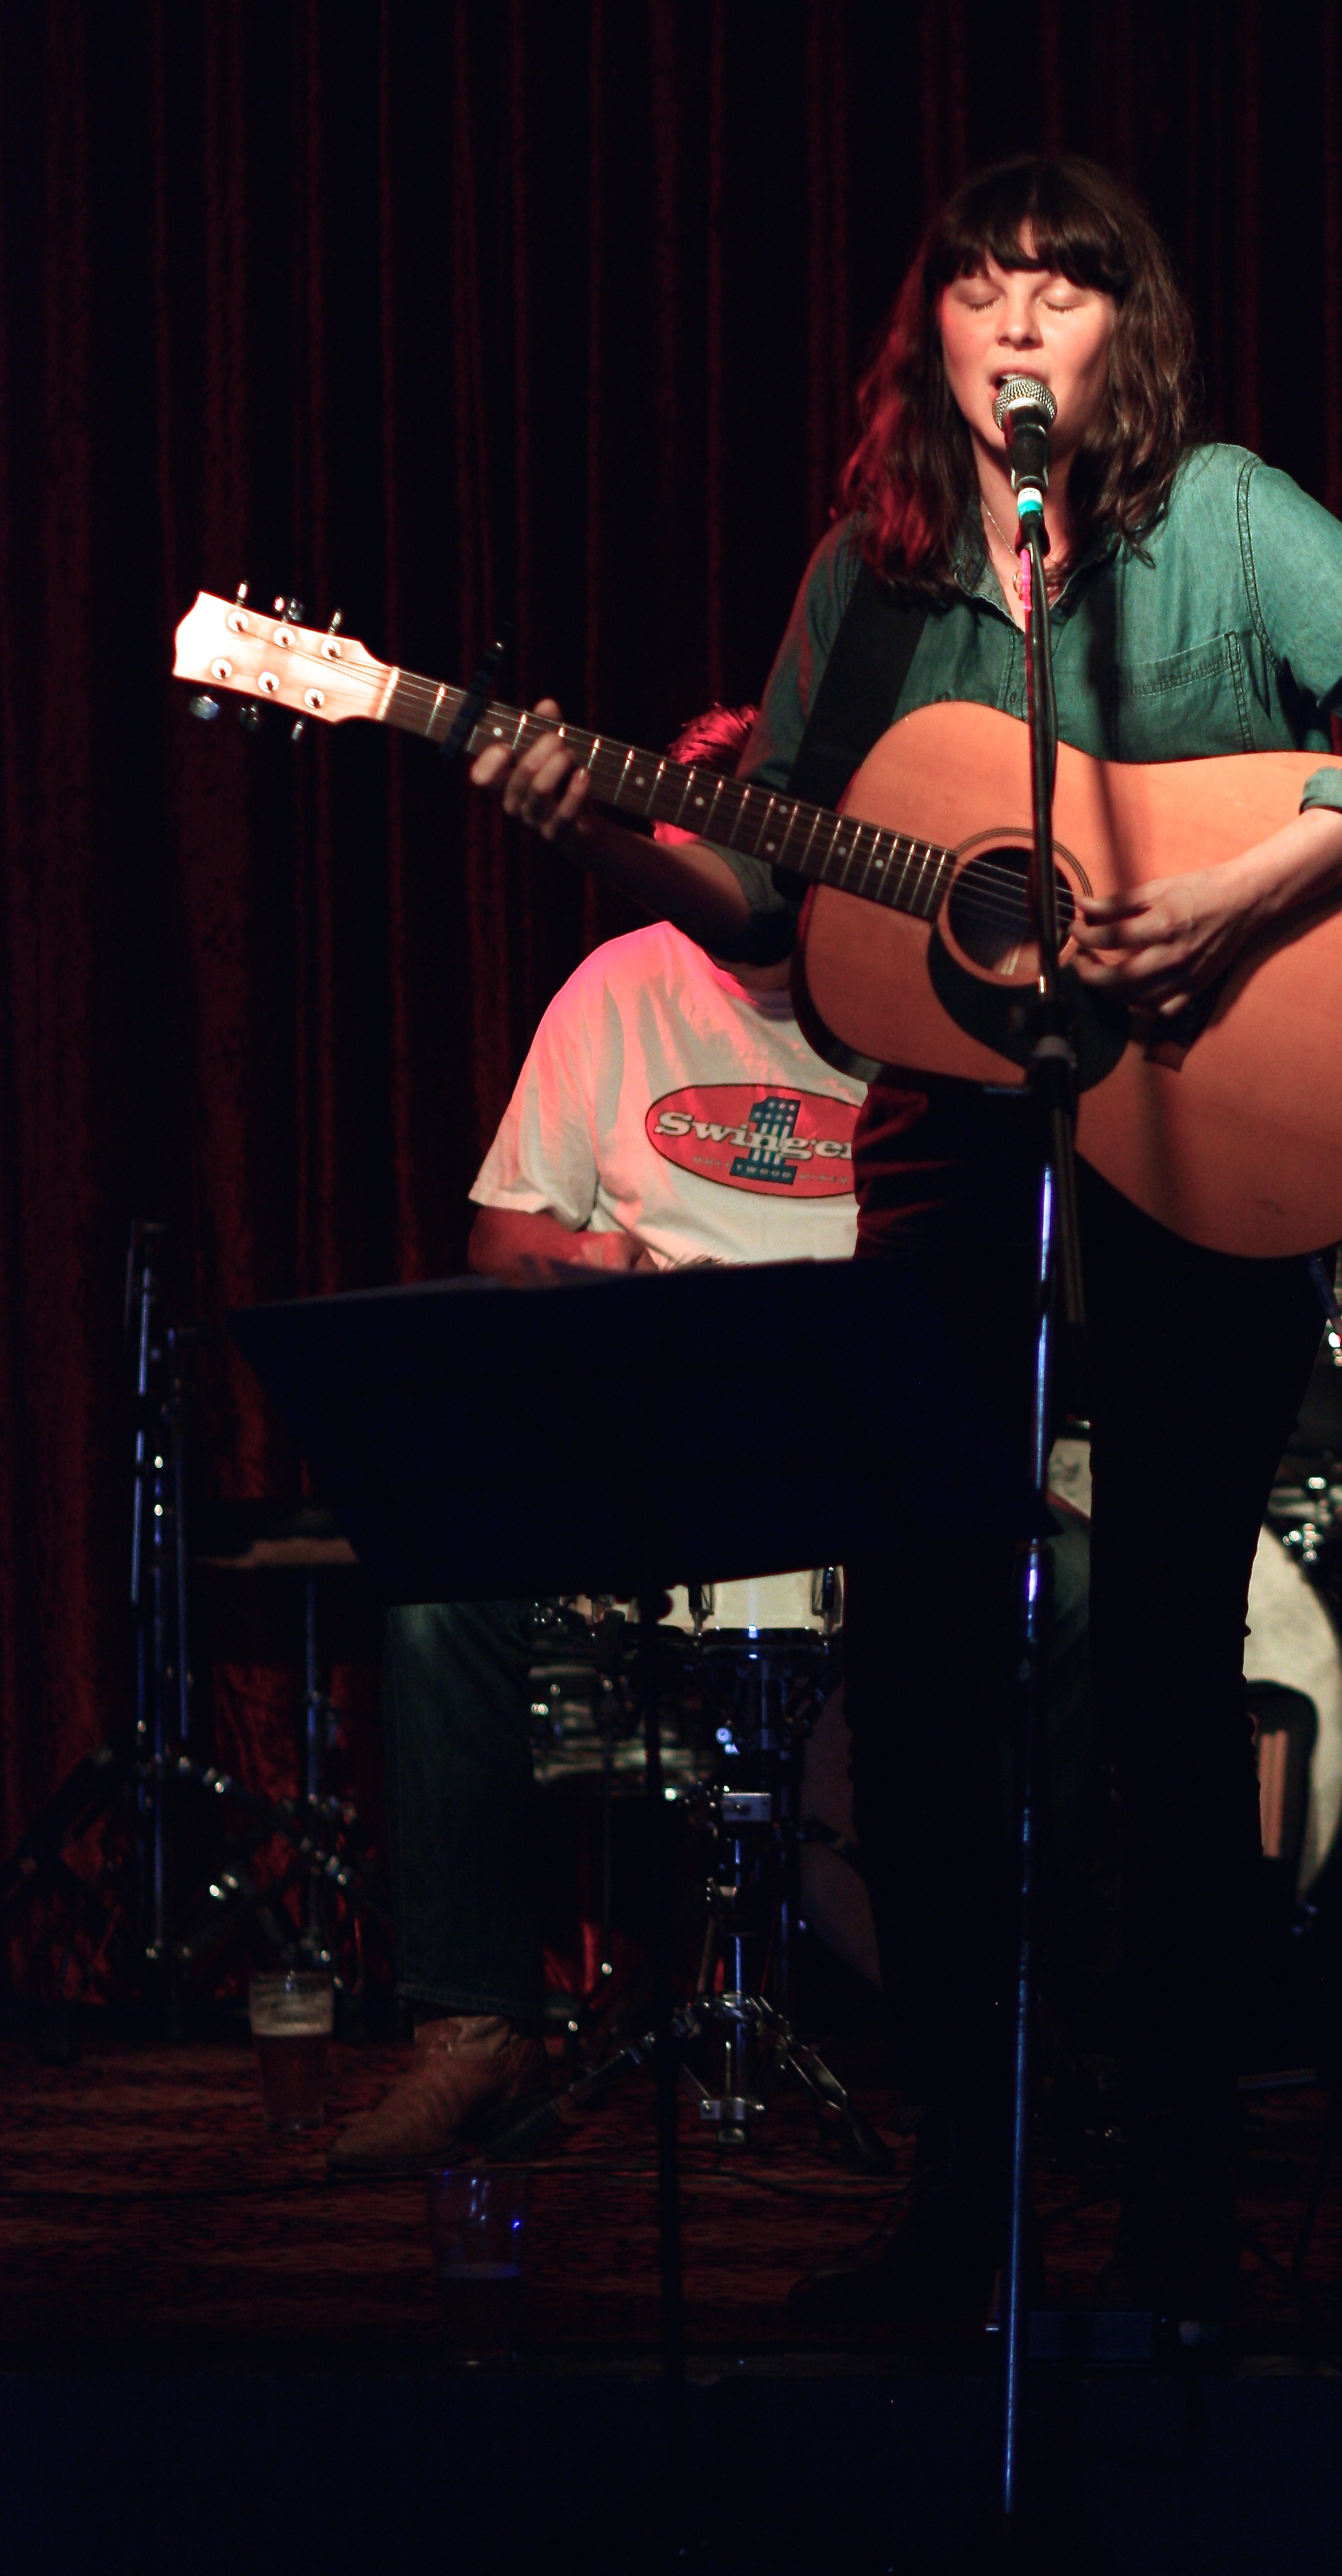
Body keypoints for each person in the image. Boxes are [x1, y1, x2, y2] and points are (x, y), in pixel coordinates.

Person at [473, 154, 1342, 2331]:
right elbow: (770, 893)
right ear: (933, 333)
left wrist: (1241, 891)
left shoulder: (1219, 521)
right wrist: (610, 821)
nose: (1022, 316)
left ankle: (1180, 2213)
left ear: (1122, 330)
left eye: (1067, 282)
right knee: (923, 1676)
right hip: (949, 1165)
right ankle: (967, 2186)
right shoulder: (862, 587)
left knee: (1163, 1675)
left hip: (1200, 1146)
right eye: (981, 283)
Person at [329, 706, 868, 2174]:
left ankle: (1040, 2042)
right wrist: (602, 1273)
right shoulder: (619, 986)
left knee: (1074, 1591)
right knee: (444, 1582)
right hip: (653, 1460)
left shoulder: (913, 1007)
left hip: (860, 1468)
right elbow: (502, 1239)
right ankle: (473, 2034)